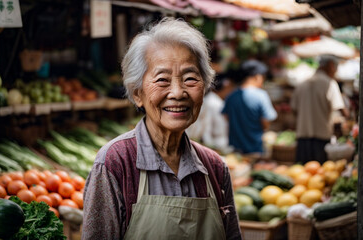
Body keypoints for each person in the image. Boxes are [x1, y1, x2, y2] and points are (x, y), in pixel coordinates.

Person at [82, 18, 242, 240]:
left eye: (190, 78)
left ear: (204, 87)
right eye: (162, 80)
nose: (177, 92)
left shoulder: (214, 167)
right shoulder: (115, 163)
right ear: (138, 93)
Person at [291, 54, 348, 164]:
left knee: (302, 172)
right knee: (320, 174)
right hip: (322, 138)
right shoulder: (330, 84)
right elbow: (342, 110)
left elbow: (294, 109)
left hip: (303, 137)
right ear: (331, 66)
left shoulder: (302, 84)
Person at [222, 60, 277, 154]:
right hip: (255, 148)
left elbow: (226, 117)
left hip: (235, 149)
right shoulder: (261, 95)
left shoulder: (231, 96)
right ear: (257, 77)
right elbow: (266, 121)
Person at [186, 72, 236, 154]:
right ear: (227, 85)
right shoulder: (214, 103)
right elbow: (206, 129)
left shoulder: (211, 101)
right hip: (215, 146)